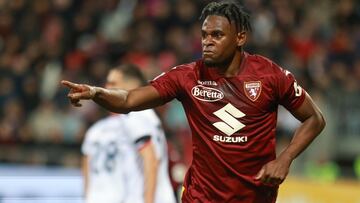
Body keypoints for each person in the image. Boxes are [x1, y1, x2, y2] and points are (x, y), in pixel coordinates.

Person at [63, 1, 326, 202]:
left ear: (240, 38)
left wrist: (285, 158)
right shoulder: (187, 77)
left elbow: (314, 118)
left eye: (217, 35)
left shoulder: (270, 75)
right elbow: (130, 99)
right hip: (200, 196)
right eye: (204, 35)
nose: (207, 42)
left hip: (255, 196)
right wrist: (97, 92)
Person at [81, 64, 176, 203]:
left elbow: (150, 159)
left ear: (131, 86)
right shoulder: (145, 116)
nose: (107, 87)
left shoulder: (135, 114)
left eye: (113, 83)